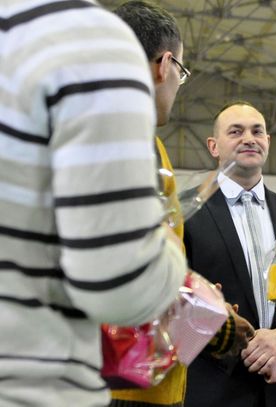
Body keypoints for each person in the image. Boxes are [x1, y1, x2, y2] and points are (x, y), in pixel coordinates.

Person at [0, 1, 189, 406]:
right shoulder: (89, 44)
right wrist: (170, 260)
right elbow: (117, 285)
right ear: (165, 64)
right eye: (182, 71)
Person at [111, 2, 254, 407]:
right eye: (181, 71)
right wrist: (218, 323)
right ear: (164, 65)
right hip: (125, 384)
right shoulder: (128, 140)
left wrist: (197, 294)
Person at [183, 101, 276, 406]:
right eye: (236, 131)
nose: (249, 138)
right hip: (211, 389)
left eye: (257, 131)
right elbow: (171, 303)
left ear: (267, 141)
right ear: (213, 146)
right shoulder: (184, 214)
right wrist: (238, 345)